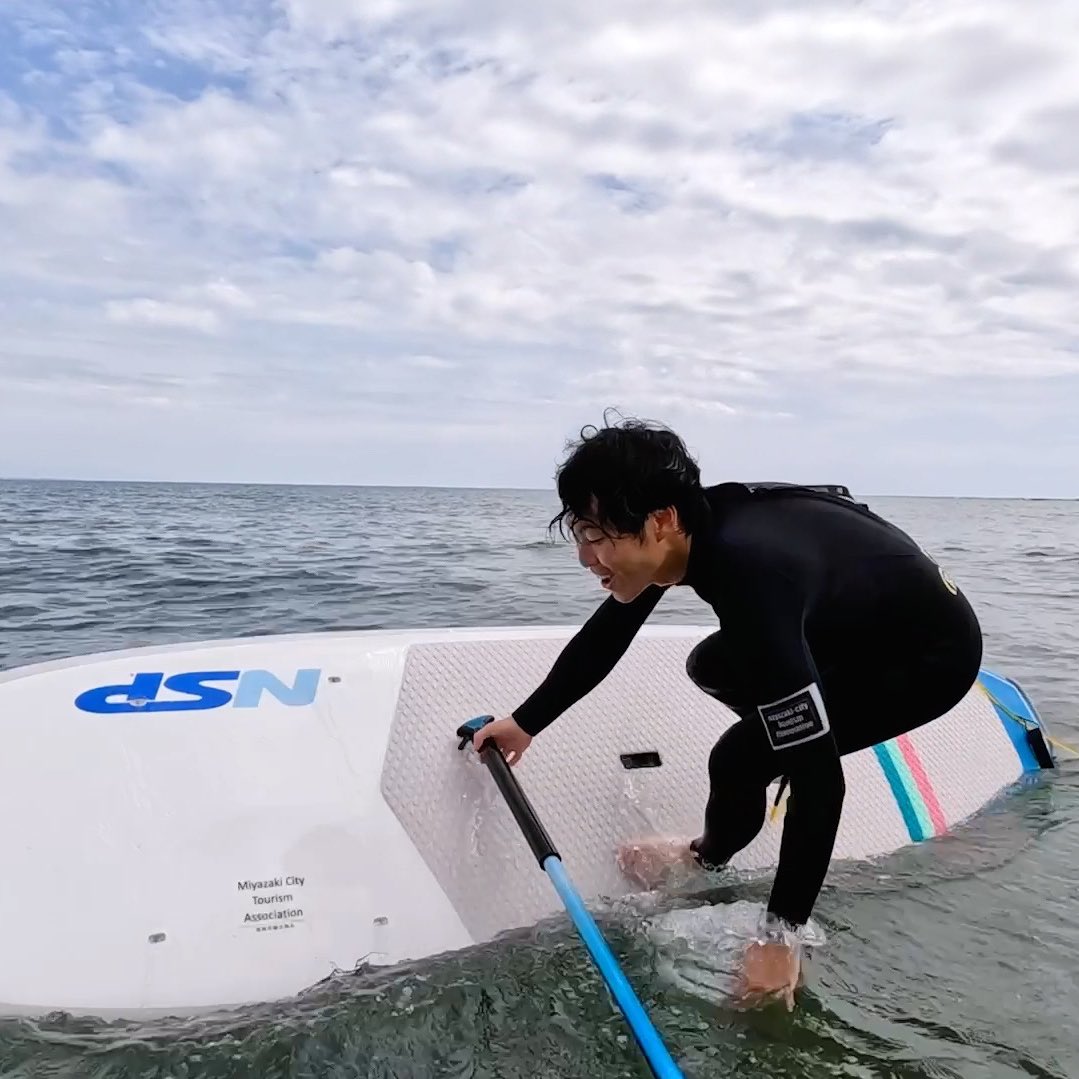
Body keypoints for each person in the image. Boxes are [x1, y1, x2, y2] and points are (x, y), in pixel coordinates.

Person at [473, 414, 983, 1009]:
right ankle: (763, 773)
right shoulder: (689, 528)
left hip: (927, 657)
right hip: (850, 625)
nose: (587, 557)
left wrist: (780, 935)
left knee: (742, 757)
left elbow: (822, 782)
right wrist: (526, 722)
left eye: (597, 535)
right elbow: (610, 631)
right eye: (580, 535)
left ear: (660, 521)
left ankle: (708, 854)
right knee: (713, 665)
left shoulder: (748, 571)